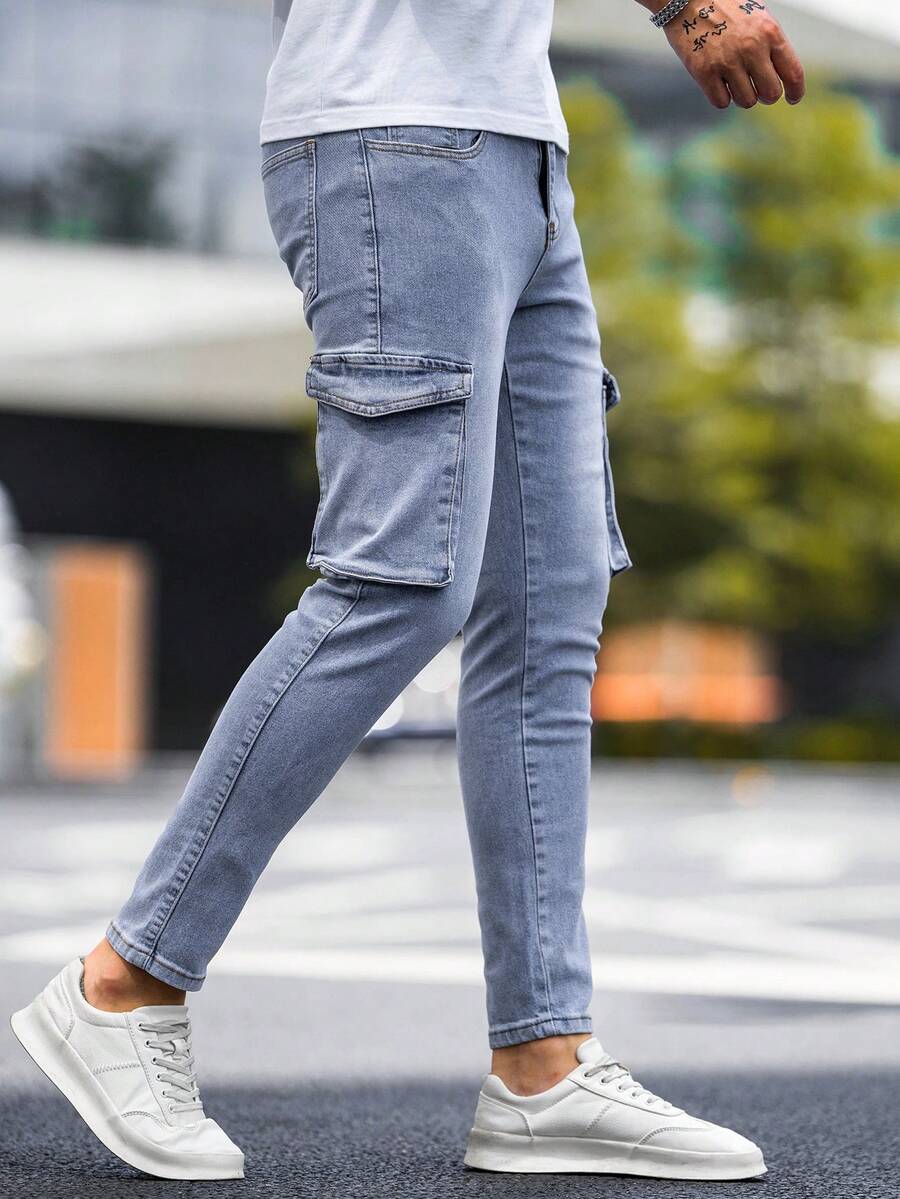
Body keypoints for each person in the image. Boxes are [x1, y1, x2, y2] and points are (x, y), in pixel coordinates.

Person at [11, 0, 805, 1182]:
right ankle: (126, 981)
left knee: (548, 608)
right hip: (396, 135)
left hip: (519, 147)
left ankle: (542, 1061)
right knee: (402, 580)